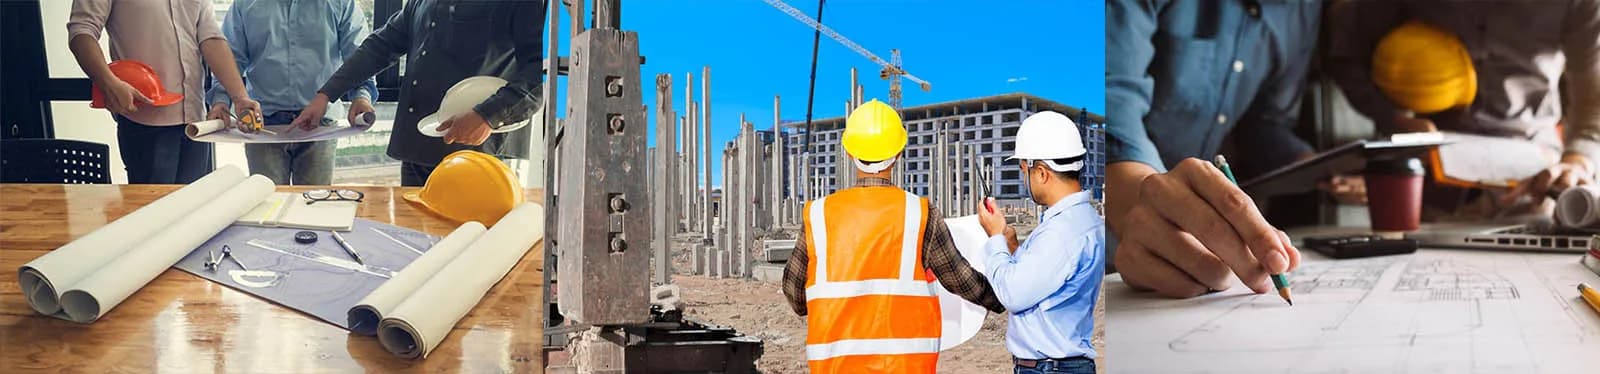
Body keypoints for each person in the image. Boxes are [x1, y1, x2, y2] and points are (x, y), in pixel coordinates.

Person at [1105, 1, 1311, 298]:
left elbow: (1263, 122)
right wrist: (1141, 200)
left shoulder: (1305, 9)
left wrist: (1314, 163)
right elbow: (1107, 97)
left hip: (1204, 253)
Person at [781, 100, 1005, 373]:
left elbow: (795, 296)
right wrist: (1004, 298)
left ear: (849, 150)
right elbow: (961, 280)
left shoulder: (818, 215)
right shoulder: (920, 214)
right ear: (899, 152)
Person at [1326, 1, 1600, 217]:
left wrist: (1578, 160)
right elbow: (1345, 55)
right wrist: (1392, 119)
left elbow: (1594, 96)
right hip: (1428, 176)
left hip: (1532, 180)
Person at [295, 0, 544, 186]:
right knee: (415, 240)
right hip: (418, 148)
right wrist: (326, 94)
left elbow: (539, 74)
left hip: (480, 152)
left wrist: (488, 115)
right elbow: (379, 47)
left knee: (472, 246)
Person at [68, 0, 260, 184]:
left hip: (195, 122)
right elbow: (82, 31)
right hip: (144, 119)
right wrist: (108, 82)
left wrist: (240, 97)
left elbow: (210, 38)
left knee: (195, 205)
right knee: (154, 209)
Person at [974, 111, 1103, 374]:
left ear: (1042, 173)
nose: (1025, 179)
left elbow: (1013, 294)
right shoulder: (1077, 221)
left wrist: (996, 237)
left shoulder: (1063, 231)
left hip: (1051, 368)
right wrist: (1013, 247)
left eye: (1025, 169)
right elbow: (1046, 280)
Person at [207, 0, 378, 186]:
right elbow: (231, 58)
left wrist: (362, 96)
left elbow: (358, 55)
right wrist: (220, 101)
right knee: (266, 202)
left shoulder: (341, 3)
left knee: (313, 205)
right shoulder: (245, 5)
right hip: (263, 124)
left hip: (320, 125)